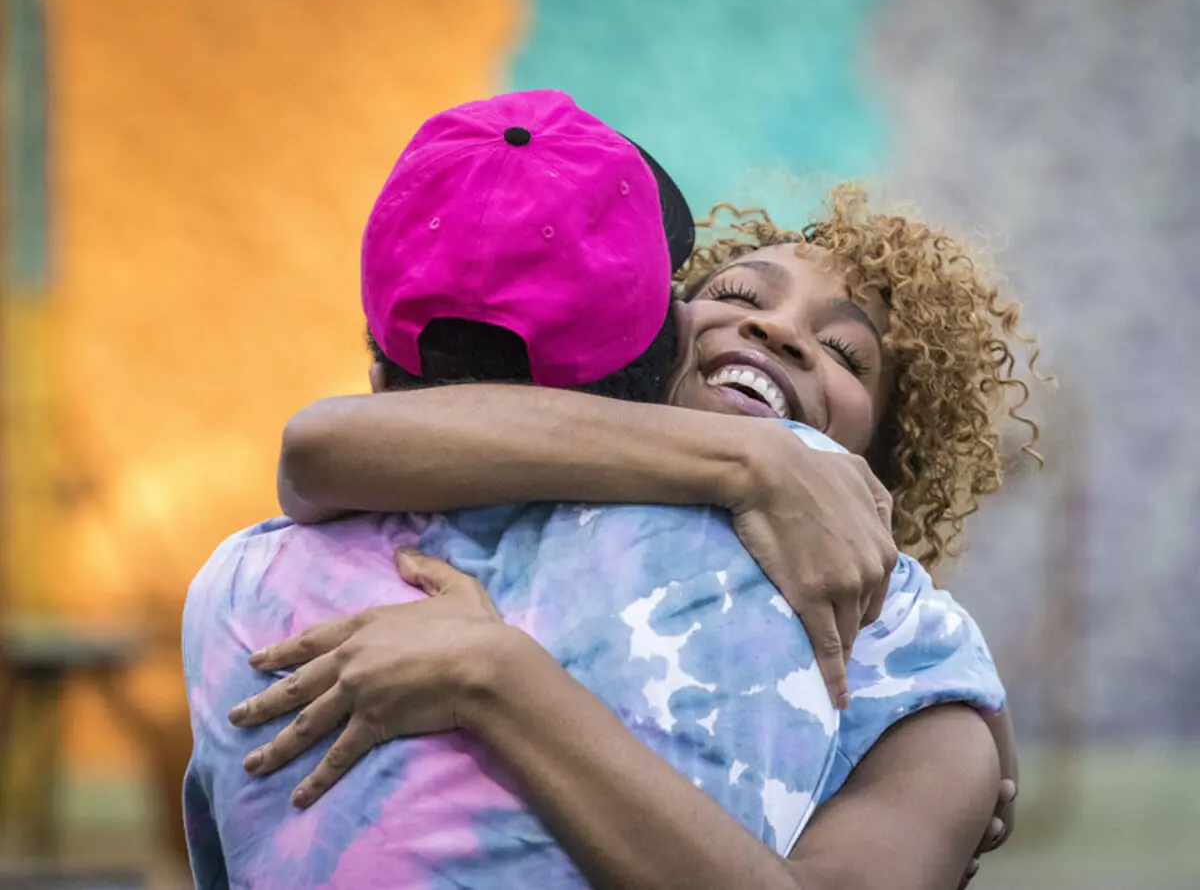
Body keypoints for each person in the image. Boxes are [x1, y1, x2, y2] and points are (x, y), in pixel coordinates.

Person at [184, 91, 1023, 890]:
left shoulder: (915, 668)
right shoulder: (498, 499)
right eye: (734, 295)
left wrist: (498, 677)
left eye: (846, 353)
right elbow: (324, 443)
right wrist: (752, 460)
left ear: (887, 464)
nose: (776, 330)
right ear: (651, 337)